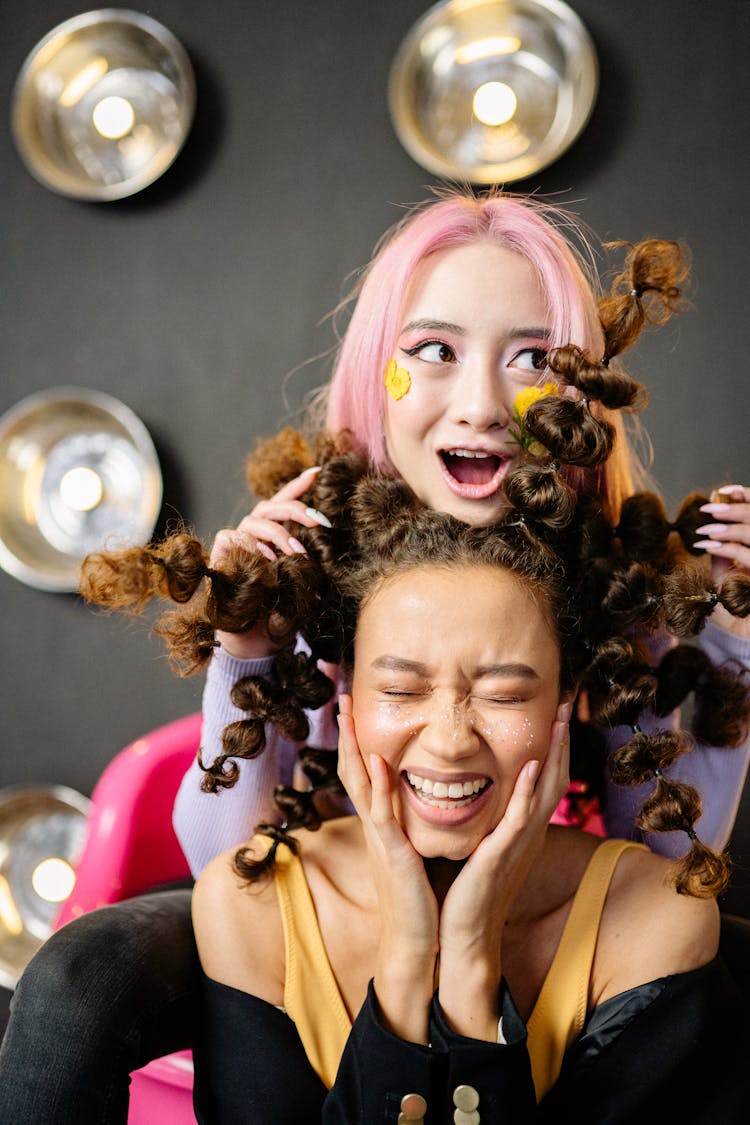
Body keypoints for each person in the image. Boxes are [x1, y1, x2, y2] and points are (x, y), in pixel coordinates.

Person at [1, 191, 748, 1123]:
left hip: (546, 883)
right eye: (433, 350)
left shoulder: (607, 576)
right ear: (374, 369)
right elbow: (230, 862)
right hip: (319, 889)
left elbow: (670, 850)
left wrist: (731, 645)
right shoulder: (310, 555)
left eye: (527, 360)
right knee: (80, 981)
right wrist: (245, 647)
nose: (479, 405)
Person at [190, 478, 748, 1122]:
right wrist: (405, 961)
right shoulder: (253, 905)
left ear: (563, 708)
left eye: (505, 695)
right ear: (347, 707)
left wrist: (472, 963)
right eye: (400, 690)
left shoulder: (656, 920)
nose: (452, 741)